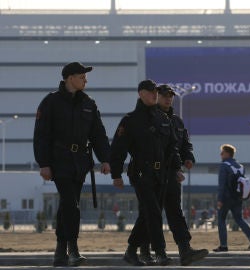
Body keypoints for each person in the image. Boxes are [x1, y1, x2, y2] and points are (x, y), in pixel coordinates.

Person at [33, 62, 111, 267]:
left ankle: (60, 252)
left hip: (80, 163)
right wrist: (44, 164)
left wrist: (105, 159)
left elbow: (98, 134)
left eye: (85, 76)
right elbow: (41, 135)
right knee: (71, 205)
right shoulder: (51, 102)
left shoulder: (88, 103)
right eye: (81, 76)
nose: (86, 79)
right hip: (59, 161)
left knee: (67, 206)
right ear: (69, 78)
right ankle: (73, 248)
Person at [110, 80, 182, 266]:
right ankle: (160, 252)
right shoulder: (131, 120)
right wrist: (116, 175)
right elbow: (118, 149)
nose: (154, 95)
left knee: (147, 214)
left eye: (155, 92)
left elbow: (172, 147)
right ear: (141, 93)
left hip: (161, 174)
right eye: (151, 92)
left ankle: (131, 250)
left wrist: (176, 168)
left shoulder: (163, 119)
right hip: (141, 173)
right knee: (154, 212)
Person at [139, 84, 208, 266]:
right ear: (156, 96)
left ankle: (185, 250)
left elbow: (184, 144)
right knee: (151, 213)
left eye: (171, 96)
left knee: (175, 211)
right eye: (164, 95)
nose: (168, 98)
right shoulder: (149, 117)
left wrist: (188, 158)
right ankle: (146, 250)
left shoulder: (177, 121)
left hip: (171, 172)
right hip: (152, 173)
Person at [213, 144, 250, 252]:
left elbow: (221, 185)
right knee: (239, 219)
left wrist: (219, 200)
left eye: (222, 152)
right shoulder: (240, 166)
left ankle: (223, 245)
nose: (220, 154)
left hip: (226, 198)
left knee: (221, 220)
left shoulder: (224, 166)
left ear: (227, 153)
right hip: (238, 198)